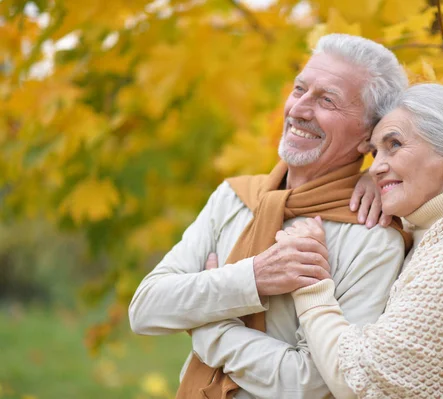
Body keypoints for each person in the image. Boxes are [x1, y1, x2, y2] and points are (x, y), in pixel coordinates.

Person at [128, 34, 411, 399]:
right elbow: (146, 308)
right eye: (299, 89)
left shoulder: (374, 237)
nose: (299, 109)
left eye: (327, 100)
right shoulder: (234, 197)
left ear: (367, 138)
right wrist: (251, 279)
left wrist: (209, 325)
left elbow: (313, 384)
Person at [285, 83, 443, 398]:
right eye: (375, 153)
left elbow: (362, 379)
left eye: (395, 145)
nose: (375, 167)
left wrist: (311, 284)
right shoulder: (438, 234)